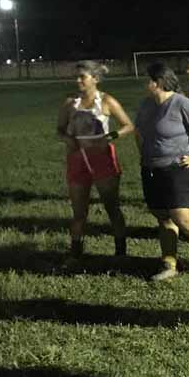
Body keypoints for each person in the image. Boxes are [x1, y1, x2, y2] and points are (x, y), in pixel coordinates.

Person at [134, 63, 189, 281]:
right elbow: (139, 131)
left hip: (179, 168)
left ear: (158, 82)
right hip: (152, 169)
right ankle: (170, 263)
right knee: (163, 217)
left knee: (183, 216)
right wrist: (144, 155)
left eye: (148, 79)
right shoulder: (146, 105)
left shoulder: (181, 103)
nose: (145, 83)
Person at [56, 61, 134, 260]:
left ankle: (120, 253)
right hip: (77, 160)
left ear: (95, 79)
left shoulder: (107, 101)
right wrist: (67, 139)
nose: (77, 80)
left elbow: (127, 125)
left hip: (103, 159)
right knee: (79, 211)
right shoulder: (69, 103)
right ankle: (76, 253)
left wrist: (110, 137)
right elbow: (60, 129)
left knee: (111, 206)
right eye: (77, 76)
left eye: (82, 76)